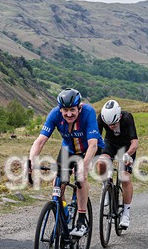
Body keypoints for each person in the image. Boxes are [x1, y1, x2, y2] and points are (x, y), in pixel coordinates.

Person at [28, 88, 104, 238]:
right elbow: (41, 141)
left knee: (81, 178)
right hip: (68, 149)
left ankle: (82, 220)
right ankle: (64, 214)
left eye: (72, 110)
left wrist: (84, 165)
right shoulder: (55, 114)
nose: (69, 114)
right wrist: (31, 160)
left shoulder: (87, 112)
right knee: (58, 183)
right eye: (65, 110)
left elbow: (93, 145)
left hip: (89, 149)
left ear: (79, 108)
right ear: (60, 109)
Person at [95, 99, 138, 229]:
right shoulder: (101, 118)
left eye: (113, 124)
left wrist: (127, 155)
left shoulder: (127, 117)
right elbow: (96, 139)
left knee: (124, 177)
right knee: (101, 163)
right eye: (108, 124)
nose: (111, 126)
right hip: (110, 144)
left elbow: (135, 143)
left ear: (119, 116)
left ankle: (126, 213)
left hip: (126, 147)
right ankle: (106, 186)